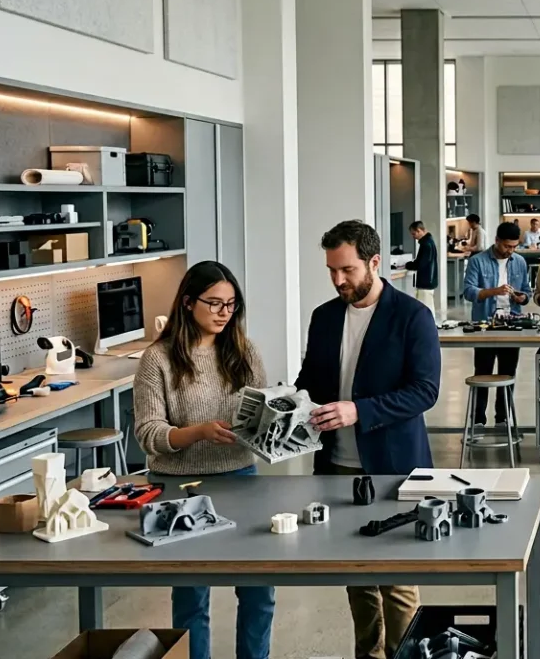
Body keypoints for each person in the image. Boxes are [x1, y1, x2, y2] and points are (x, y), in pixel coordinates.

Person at [295, 220, 441, 658]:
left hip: (394, 466)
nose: (339, 280)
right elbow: (310, 382)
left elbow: (425, 391)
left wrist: (359, 411)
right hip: (337, 466)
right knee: (357, 575)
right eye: (331, 271)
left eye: (348, 270)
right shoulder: (324, 317)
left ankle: (405, 654)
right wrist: (288, 404)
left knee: (396, 579)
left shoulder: (413, 316)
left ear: (375, 263)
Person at [133, 261, 273, 659]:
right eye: (214, 303)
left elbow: (261, 412)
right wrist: (199, 431)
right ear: (188, 303)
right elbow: (149, 434)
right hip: (180, 487)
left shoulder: (244, 353)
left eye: (231, 304)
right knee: (192, 597)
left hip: (241, 478)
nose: (224, 313)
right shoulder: (156, 360)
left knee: (258, 591)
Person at [463, 221, 532, 430]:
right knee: (483, 372)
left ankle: (502, 418)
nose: (510, 251)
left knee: (508, 374)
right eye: (506, 246)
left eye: (514, 247)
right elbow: (468, 292)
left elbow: (527, 292)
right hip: (485, 325)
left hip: (512, 325)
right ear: (496, 241)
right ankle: (478, 420)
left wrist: (522, 298)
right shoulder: (477, 261)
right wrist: (494, 291)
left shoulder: (519, 261)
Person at [403, 221, 439, 320]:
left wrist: (408, 265)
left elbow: (421, 264)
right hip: (429, 280)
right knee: (428, 307)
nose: (413, 236)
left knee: (425, 309)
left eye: (414, 234)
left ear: (419, 231)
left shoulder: (426, 244)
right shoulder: (429, 242)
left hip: (425, 282)